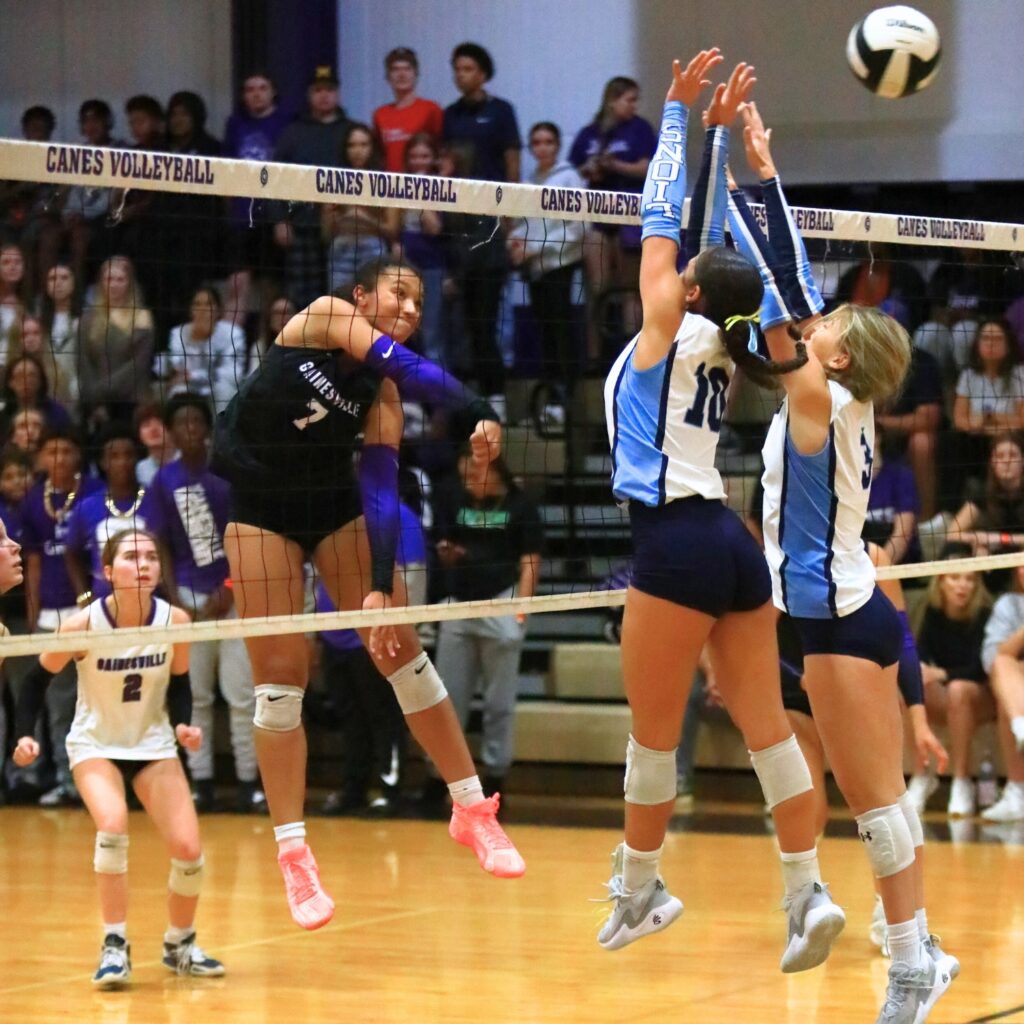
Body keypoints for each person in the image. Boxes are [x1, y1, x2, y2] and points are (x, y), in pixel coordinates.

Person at [596, 54, 838, 974]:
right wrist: (725, 142)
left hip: (677, 542)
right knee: (769, 731)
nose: (676, 266)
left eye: (686, 270)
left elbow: (661, 220)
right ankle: (807, 892)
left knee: (652, 740)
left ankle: (640, 890)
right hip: (733, 546)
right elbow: (707, 241)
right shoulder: (735, 342)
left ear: (690, 289)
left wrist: (673, 116)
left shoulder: (666, 326)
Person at [212, 255, 523, 932]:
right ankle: (293, 853)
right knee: (280, 681)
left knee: (399, 649)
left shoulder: (382, 395)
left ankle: (471, 808)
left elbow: (380, 488)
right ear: (361, 296)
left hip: (332, 504)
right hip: (260, 507)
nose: (410, 310)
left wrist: (380, 587)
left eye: (419, 303)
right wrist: (476, 407)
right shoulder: (325, 317)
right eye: (398, 294)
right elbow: (409, 367)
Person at [731, 99, 958, 1019]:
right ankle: (920, 951)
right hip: (842, 614)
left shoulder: (821, 404)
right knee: (881, 801)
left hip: (839, 622)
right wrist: (761, 173)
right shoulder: (836, 404)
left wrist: (753, 183)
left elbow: (780, 294)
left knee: (875, 804)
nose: (815, 321)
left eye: (827, 324)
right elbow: (787, 301)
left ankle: (912, 966)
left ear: (838, 358)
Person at [11, 528, 225, 987]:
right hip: (96, 744)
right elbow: (33, 681)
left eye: (151, 556)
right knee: (112, 826)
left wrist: (183, 725)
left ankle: (180, 944)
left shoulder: (176, 620)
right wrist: (25, 736)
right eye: (131, 557)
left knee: (189, 851)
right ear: (108, 571)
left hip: (152, 743)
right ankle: (114, 944)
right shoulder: (82, 625)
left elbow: (181, 683)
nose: (143, 563)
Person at [142, 395, 261, 814]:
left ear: (207, 429)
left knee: (242, 695)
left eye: (196, 421)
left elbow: (247, 534)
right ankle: (201, 782)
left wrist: (230, 584)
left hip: (235, 600)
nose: (190, 428)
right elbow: (159, 543)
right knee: (196, 698)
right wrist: (174, 598)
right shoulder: (164, 481)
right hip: (189, 603)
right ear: (171, 433)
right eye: (182, 423)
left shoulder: (227, 474)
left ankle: (250, 784)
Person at [433, 450, 542, 797]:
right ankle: (440, 778)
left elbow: (530, 561)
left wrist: (521, 611)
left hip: (501, 603)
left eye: (472, 475)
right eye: (463, 476)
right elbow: (449, 544)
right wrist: (448, 554)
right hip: (460, 605)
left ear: (493, 471)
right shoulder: (458, 501)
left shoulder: (521, 506)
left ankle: (495, 777)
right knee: (446, 700)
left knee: (498, 704)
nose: (466, 483)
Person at [21, 427, 103, 806]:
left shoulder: (94, 493)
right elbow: (33, 563)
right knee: (56, 703)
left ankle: (99, 778)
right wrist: (34, 613)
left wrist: (90, 601)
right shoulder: (32, 500)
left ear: (78, 456)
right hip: (51, 614)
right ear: (39, 458)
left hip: (92, 611)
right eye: (51, 451)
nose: (59, 458)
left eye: (67, 450)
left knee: (94, 700)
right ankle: (64, 780)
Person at [570, 77, 656, 363]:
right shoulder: (590, 133)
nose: (634, 105)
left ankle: (635, 355)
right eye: (629, 100)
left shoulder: (640, 129)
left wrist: (615, 164)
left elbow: (647, 167)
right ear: (612, 100)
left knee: (632, 289)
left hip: (630, 215)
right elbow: (574, 171)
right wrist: (591, 168)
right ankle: (595, 359)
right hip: (597, 217)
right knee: (598, 288)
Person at [913, 548, 994, 817]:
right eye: (955, 578)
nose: (962, 585)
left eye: (970, 579)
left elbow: (981, 669)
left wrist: (942, 674)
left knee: (959, 690)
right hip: (950, 697)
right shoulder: (931, 613)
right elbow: (920, 656)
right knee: (911, 684)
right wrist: (924, 672)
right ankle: (922, 776)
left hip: (983, 697)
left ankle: (961, 781)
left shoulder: (984, 614)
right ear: (941, 581)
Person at [507, 122, 586, 396]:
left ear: (557, 145)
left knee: (562, 329)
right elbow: (522, 223)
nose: (542, 148)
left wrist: (538, 248)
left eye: (548, 142)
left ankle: (567, 393)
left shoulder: (569, 178)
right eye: (537, 142)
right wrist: (515, 242)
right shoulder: (528, 182)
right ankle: (552, 393)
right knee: (545, 331)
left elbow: (578, 228)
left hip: (561, 264)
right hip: (535, 268)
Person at [273, 66, 351, 308]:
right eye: (318, 90)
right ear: (309, 95)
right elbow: (276, 179)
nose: (324, 95)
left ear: (338, 94)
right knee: (303, 299)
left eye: (329, 90)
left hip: (344, 229)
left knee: (342, 297)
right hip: (302, 227)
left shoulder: (351, 132)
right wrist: (280, 220)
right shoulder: (292, 133)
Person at [221, 71, 293, 327]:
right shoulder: (235, 124)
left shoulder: (286, 123)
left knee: (270, 289)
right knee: (237, 284)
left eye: (262, 88)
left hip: (272, 216)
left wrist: (284, 218)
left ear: (272, 92)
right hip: (242, 216)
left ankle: (263, 344)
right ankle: (231, 345)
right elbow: (225, 168)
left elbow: (292, 174)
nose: (256, 94)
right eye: (250, 89)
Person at [65, 425, 149, 603]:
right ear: (103, 462)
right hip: (105, 603)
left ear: (137, 458)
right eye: (114, 456)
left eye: (128, 455)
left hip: (152, 599)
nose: (122, 462)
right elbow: (71, 553)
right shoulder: (86, 507)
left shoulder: (156, 499)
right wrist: (83, 595)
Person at [78, 256, 155, 431]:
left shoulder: (142, 317)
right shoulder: (88, 319)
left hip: (132, 401)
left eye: (120, 279)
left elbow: (138, 364)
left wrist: (101, 391)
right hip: (96, 404)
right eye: (109, 279)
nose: (114, 284)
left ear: (129, 283)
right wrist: (94, 400)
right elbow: (84, 362)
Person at [324, 124, 400, 293]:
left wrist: (363, 218)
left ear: (373, 148)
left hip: (373, 249)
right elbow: (326, 233)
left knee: (373, 303)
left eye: (364, 144)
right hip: (341, 249)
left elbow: (392, 230)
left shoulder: (386, 182)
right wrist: (333, 217)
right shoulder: (334, 182)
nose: (357, 151)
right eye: (352, 145)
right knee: (340, 303)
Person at [978, 562, 1024, 822]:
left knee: (1010, 685)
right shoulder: (1009, 604)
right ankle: (1017, 792)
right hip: (1019, 690)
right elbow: (991, 659)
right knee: (1003, 671)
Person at [160, 285, 247, 414]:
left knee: (224, 389)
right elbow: (177, 368)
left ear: (218, 310)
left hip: (219, 386)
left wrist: (195, 375)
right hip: (190, 386)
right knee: (178, 391)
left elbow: (233, 374)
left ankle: (221, 426)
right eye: (197, 304)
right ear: (191, 310)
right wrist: (196, 338)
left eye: (208, 304)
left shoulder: (233, 333)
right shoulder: (178, 333)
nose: (202, 310)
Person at [443, 42, 521, 184]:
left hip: (493, 191)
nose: (460, 75)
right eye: (457, 70)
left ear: (483, 74)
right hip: (460, 192)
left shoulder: (501, 110)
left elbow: (512, 159)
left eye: (467, 69)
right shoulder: (450, 113)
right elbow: (447, 160)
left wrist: (513, 193)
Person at [948, 431, 1024, 555]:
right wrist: (977, 538)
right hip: (993, 555)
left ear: (1022, 461)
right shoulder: (981, 492)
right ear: (993, 463)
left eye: (1013, 455)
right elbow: (952, 534)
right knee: (977, 550)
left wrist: (1000, 539)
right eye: (1000, 456)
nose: (1006, 461)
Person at [373, 47, 443, 173]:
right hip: (391, 181)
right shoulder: (380, 114)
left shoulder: (431, 109)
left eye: (407, 69)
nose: (402, 74)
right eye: (395, 69)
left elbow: (440, 149)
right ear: (388, 76)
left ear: (416, 74)